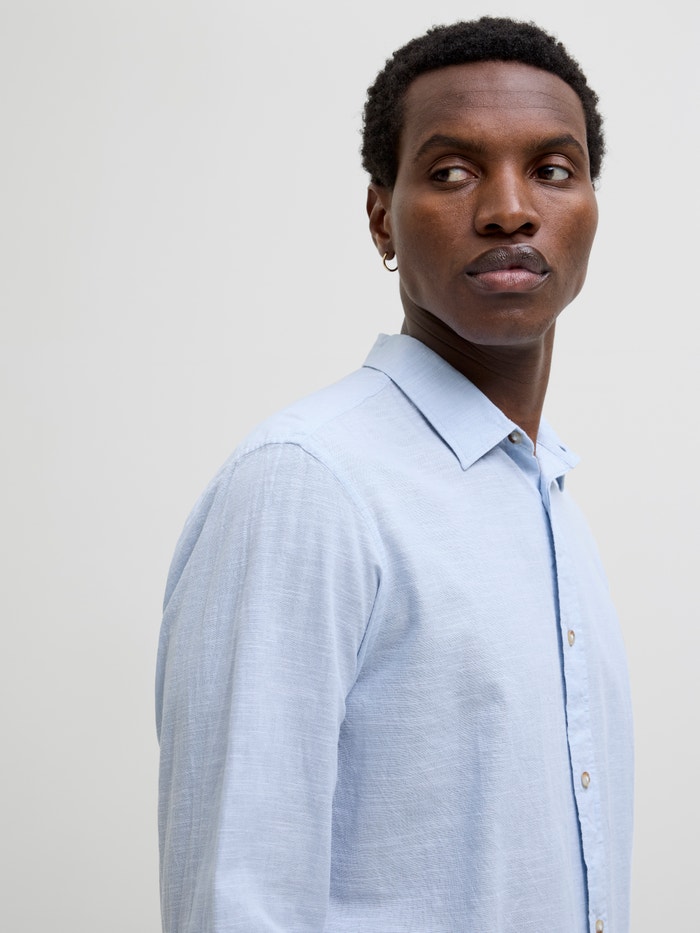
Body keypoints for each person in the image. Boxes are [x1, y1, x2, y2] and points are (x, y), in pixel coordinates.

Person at [156, 16, 633, 933]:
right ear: (382, 218)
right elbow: (237, 904)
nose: (508, 209)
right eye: (452, 171)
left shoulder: (545, 494)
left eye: (552, 169)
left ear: (590, 208)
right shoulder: (308, 485)